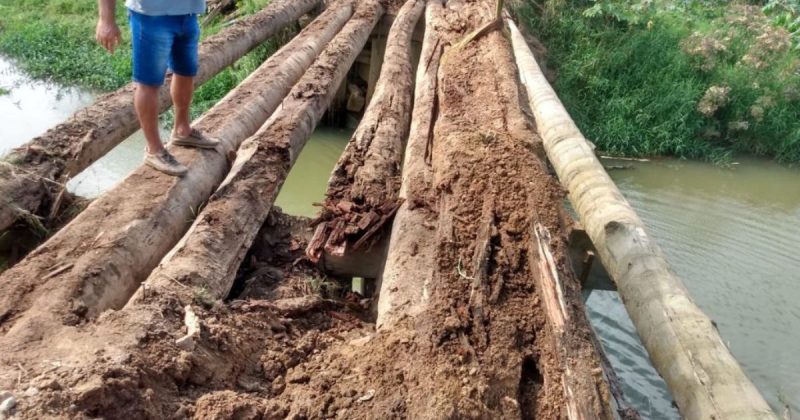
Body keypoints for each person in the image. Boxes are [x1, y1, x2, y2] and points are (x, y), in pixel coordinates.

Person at [95, 0, 218, 176]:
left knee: (186, 72)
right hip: (150, 16)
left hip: (188, 13)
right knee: (148, 82)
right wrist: (106, 20)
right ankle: (154, 149)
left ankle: (182, 130)